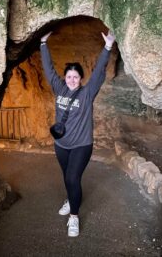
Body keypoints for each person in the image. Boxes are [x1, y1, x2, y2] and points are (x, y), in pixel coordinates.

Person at [40, 30, 115, 237]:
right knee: (67, 177)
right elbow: (48, 70)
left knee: (73, 177)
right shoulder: (59, 88)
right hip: (61, 144)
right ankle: (71, 199)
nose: (72, 80)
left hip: (82, 144)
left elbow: (99, 71)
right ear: (65, 78)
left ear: (81, 79)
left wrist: (108, 47)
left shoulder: (87, 92)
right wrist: (43, 44)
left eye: (76, 77)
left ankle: (74, 216)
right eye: (69, 76)